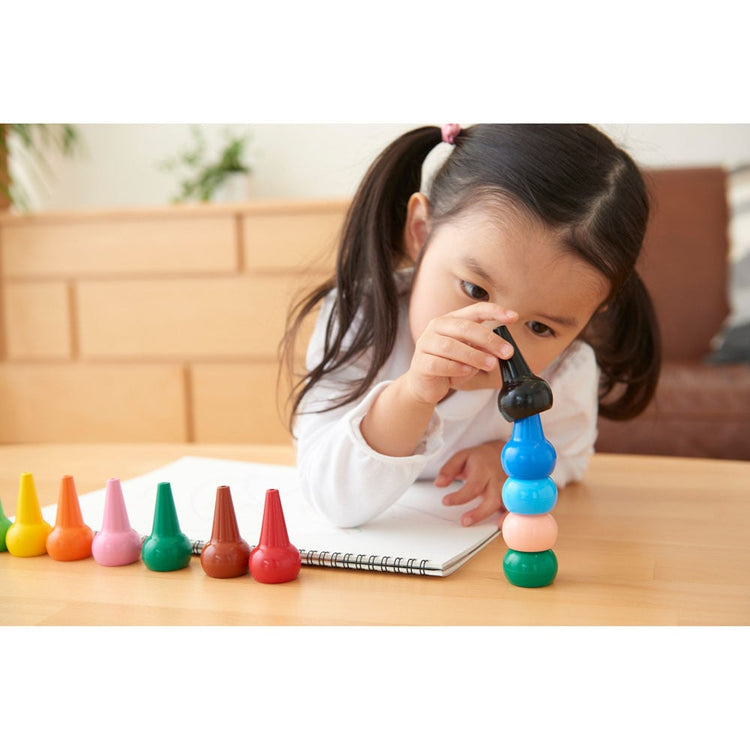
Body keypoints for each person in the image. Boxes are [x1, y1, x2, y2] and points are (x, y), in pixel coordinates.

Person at [282, 124, 660, 529]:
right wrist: (412, 394)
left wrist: (507, 458)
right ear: (420, 232)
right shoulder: (360, 318)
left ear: (592, 314)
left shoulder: (566, 369)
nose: (497, 340)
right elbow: (330, 498)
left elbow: (570, 457)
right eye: (475, 290)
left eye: (539, 327)